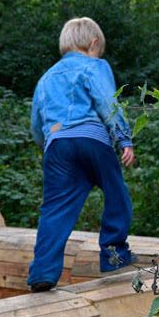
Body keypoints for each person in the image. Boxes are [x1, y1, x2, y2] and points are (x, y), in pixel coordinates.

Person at [27, 16, 135, 292]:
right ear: (93, 43)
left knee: (55, 209)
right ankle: (114, 256)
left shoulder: (45, 78)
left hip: (58, 146)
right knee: (116, 193)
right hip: (93, 141)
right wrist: (123, 138)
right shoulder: (94, 65)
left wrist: (50, 146)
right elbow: (106, 101)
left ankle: (43, 272)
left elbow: (36, 124)